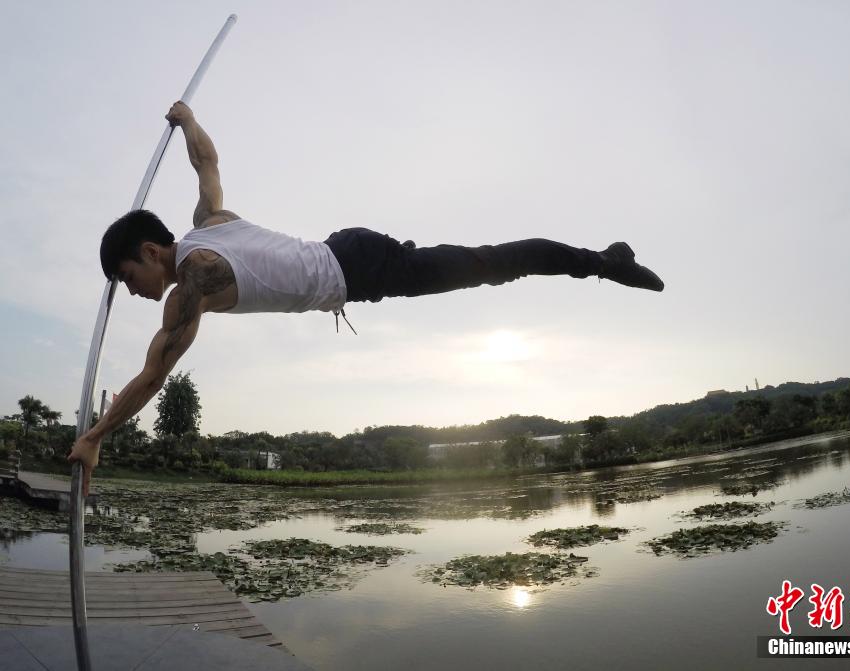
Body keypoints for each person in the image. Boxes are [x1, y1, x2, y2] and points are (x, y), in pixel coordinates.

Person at [67, 101, 664, 494]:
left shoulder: (194, 278)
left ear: (149, 252)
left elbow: (152, 375)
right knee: (488, 265)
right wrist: (189, 120)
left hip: (360, 267)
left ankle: (604, 264)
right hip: (349, 253)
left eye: (126, 277)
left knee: (492, 265)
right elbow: (207, 161)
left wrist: (94, 437)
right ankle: (602, 260)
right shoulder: (206, 222)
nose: (133, 292)